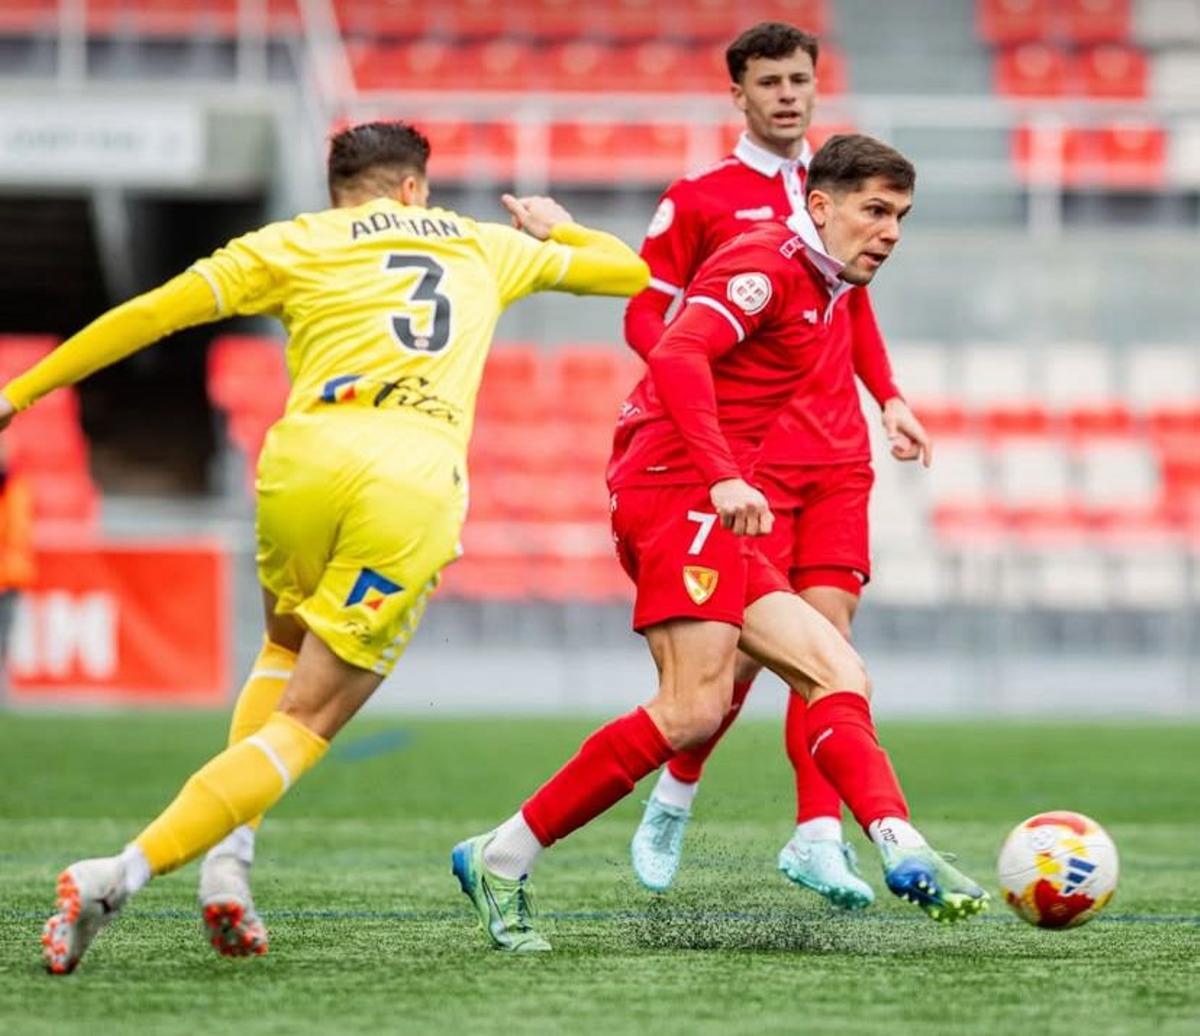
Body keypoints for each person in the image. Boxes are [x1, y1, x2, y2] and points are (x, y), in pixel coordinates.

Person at [2, 120, 650, 975]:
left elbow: (151, 315)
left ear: (339, 189)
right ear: (416, 186)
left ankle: (229, 862)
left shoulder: (294, 241)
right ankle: (118, 874)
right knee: (307, 722)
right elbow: (630, 272)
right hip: (408, 476)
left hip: (302, 463)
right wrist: (553, 226)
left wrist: (22, 391)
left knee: (281, 646)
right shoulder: (486, 245)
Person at [454, 133, 986, 953]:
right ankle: (503, 857)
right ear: (820, 205)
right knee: (694, 707)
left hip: (709, 496)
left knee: (839, 670)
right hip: (675, 487)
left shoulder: (829, 279)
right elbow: (675, 349)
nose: (890, 231)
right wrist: (724, 475)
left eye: (901, 216)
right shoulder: (768, 264)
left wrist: (888, 398)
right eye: (875, 211)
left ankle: (900, 845)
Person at [624, 21, 931, 905]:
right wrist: (697, 419)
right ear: (741, 94)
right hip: (753, 457)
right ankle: (676, 792)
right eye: (771, 81)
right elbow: (654, 323)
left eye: (802, 78)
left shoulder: (846, 191)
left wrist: (890, 399)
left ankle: (817, 832)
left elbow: (856, 312)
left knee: (824, 648)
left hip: (835, 453)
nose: (789, 94)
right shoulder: (703, 199)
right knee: (731, 662)